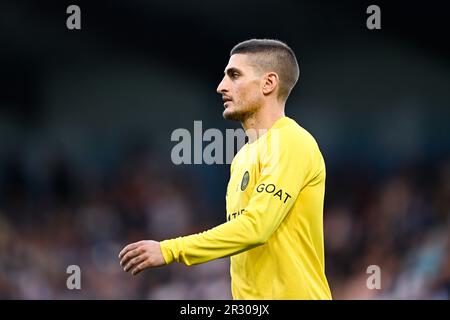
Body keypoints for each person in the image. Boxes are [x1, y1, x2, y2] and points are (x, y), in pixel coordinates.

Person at [119, 39, 332, 299]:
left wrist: (171, 250)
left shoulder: (291, 142)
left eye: (234, 75)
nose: (221, 86)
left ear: (268, 83)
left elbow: (256, 228)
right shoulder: (243, 157)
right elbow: (242, 236)